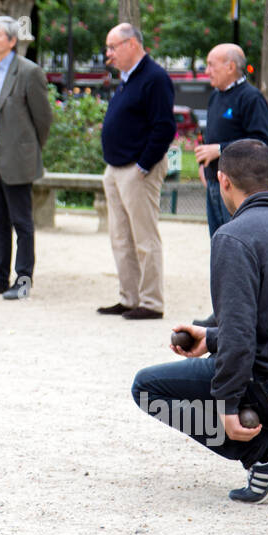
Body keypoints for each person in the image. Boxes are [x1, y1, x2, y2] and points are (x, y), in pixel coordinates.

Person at [131, 140, 268, 503]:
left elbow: (240, 336)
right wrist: (210, 335)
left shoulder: (234, 235)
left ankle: (266, 455)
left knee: (147, 388)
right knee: (225, 360)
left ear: (222, 181)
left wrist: (228, 407)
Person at [0, 17, 53, 300]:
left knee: (21, 221)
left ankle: (23, 280)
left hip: (16, 157)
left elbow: (43, 119)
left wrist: (27, 149)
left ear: (12, 41)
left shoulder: (29, 72)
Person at [96, 22, 176, 320]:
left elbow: (164, 126)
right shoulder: (127, 79)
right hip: (116, 168)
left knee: (144, 238)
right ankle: (129, 297)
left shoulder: (154, 78)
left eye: (113, 47)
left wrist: (144, 164)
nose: (108, 54)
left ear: (132, 44)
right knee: (120, 237)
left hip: (137, 169)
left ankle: (151, 302)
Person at [191, 43, 268, 326]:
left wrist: (219, 150)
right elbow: (210, 137)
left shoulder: (251, 98)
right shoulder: (215, 97)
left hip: (238, 190)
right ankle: (223, 311)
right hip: (216, 184)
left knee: (237, 250)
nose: (206, 69)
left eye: (211, 64)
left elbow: (260, 142)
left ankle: (240, 313)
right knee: (220, 250)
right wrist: (206, 164)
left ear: (231, 66)